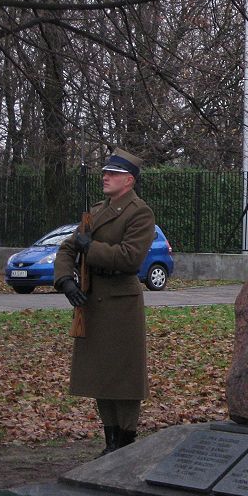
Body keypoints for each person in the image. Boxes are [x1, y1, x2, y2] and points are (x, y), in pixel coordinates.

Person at [54, 148, 156, 456]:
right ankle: (110, 440)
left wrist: (92, 247)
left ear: (129, 180)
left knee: (123, 377)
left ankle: (124, 441)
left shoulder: (140, 212)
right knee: (100, 375)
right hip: (93, 302)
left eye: (112, 173)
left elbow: (130, 258)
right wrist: (66, 280)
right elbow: (67, 249)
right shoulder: (97, 211)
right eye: (105, 172)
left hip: (120, 304)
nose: (105, 177)